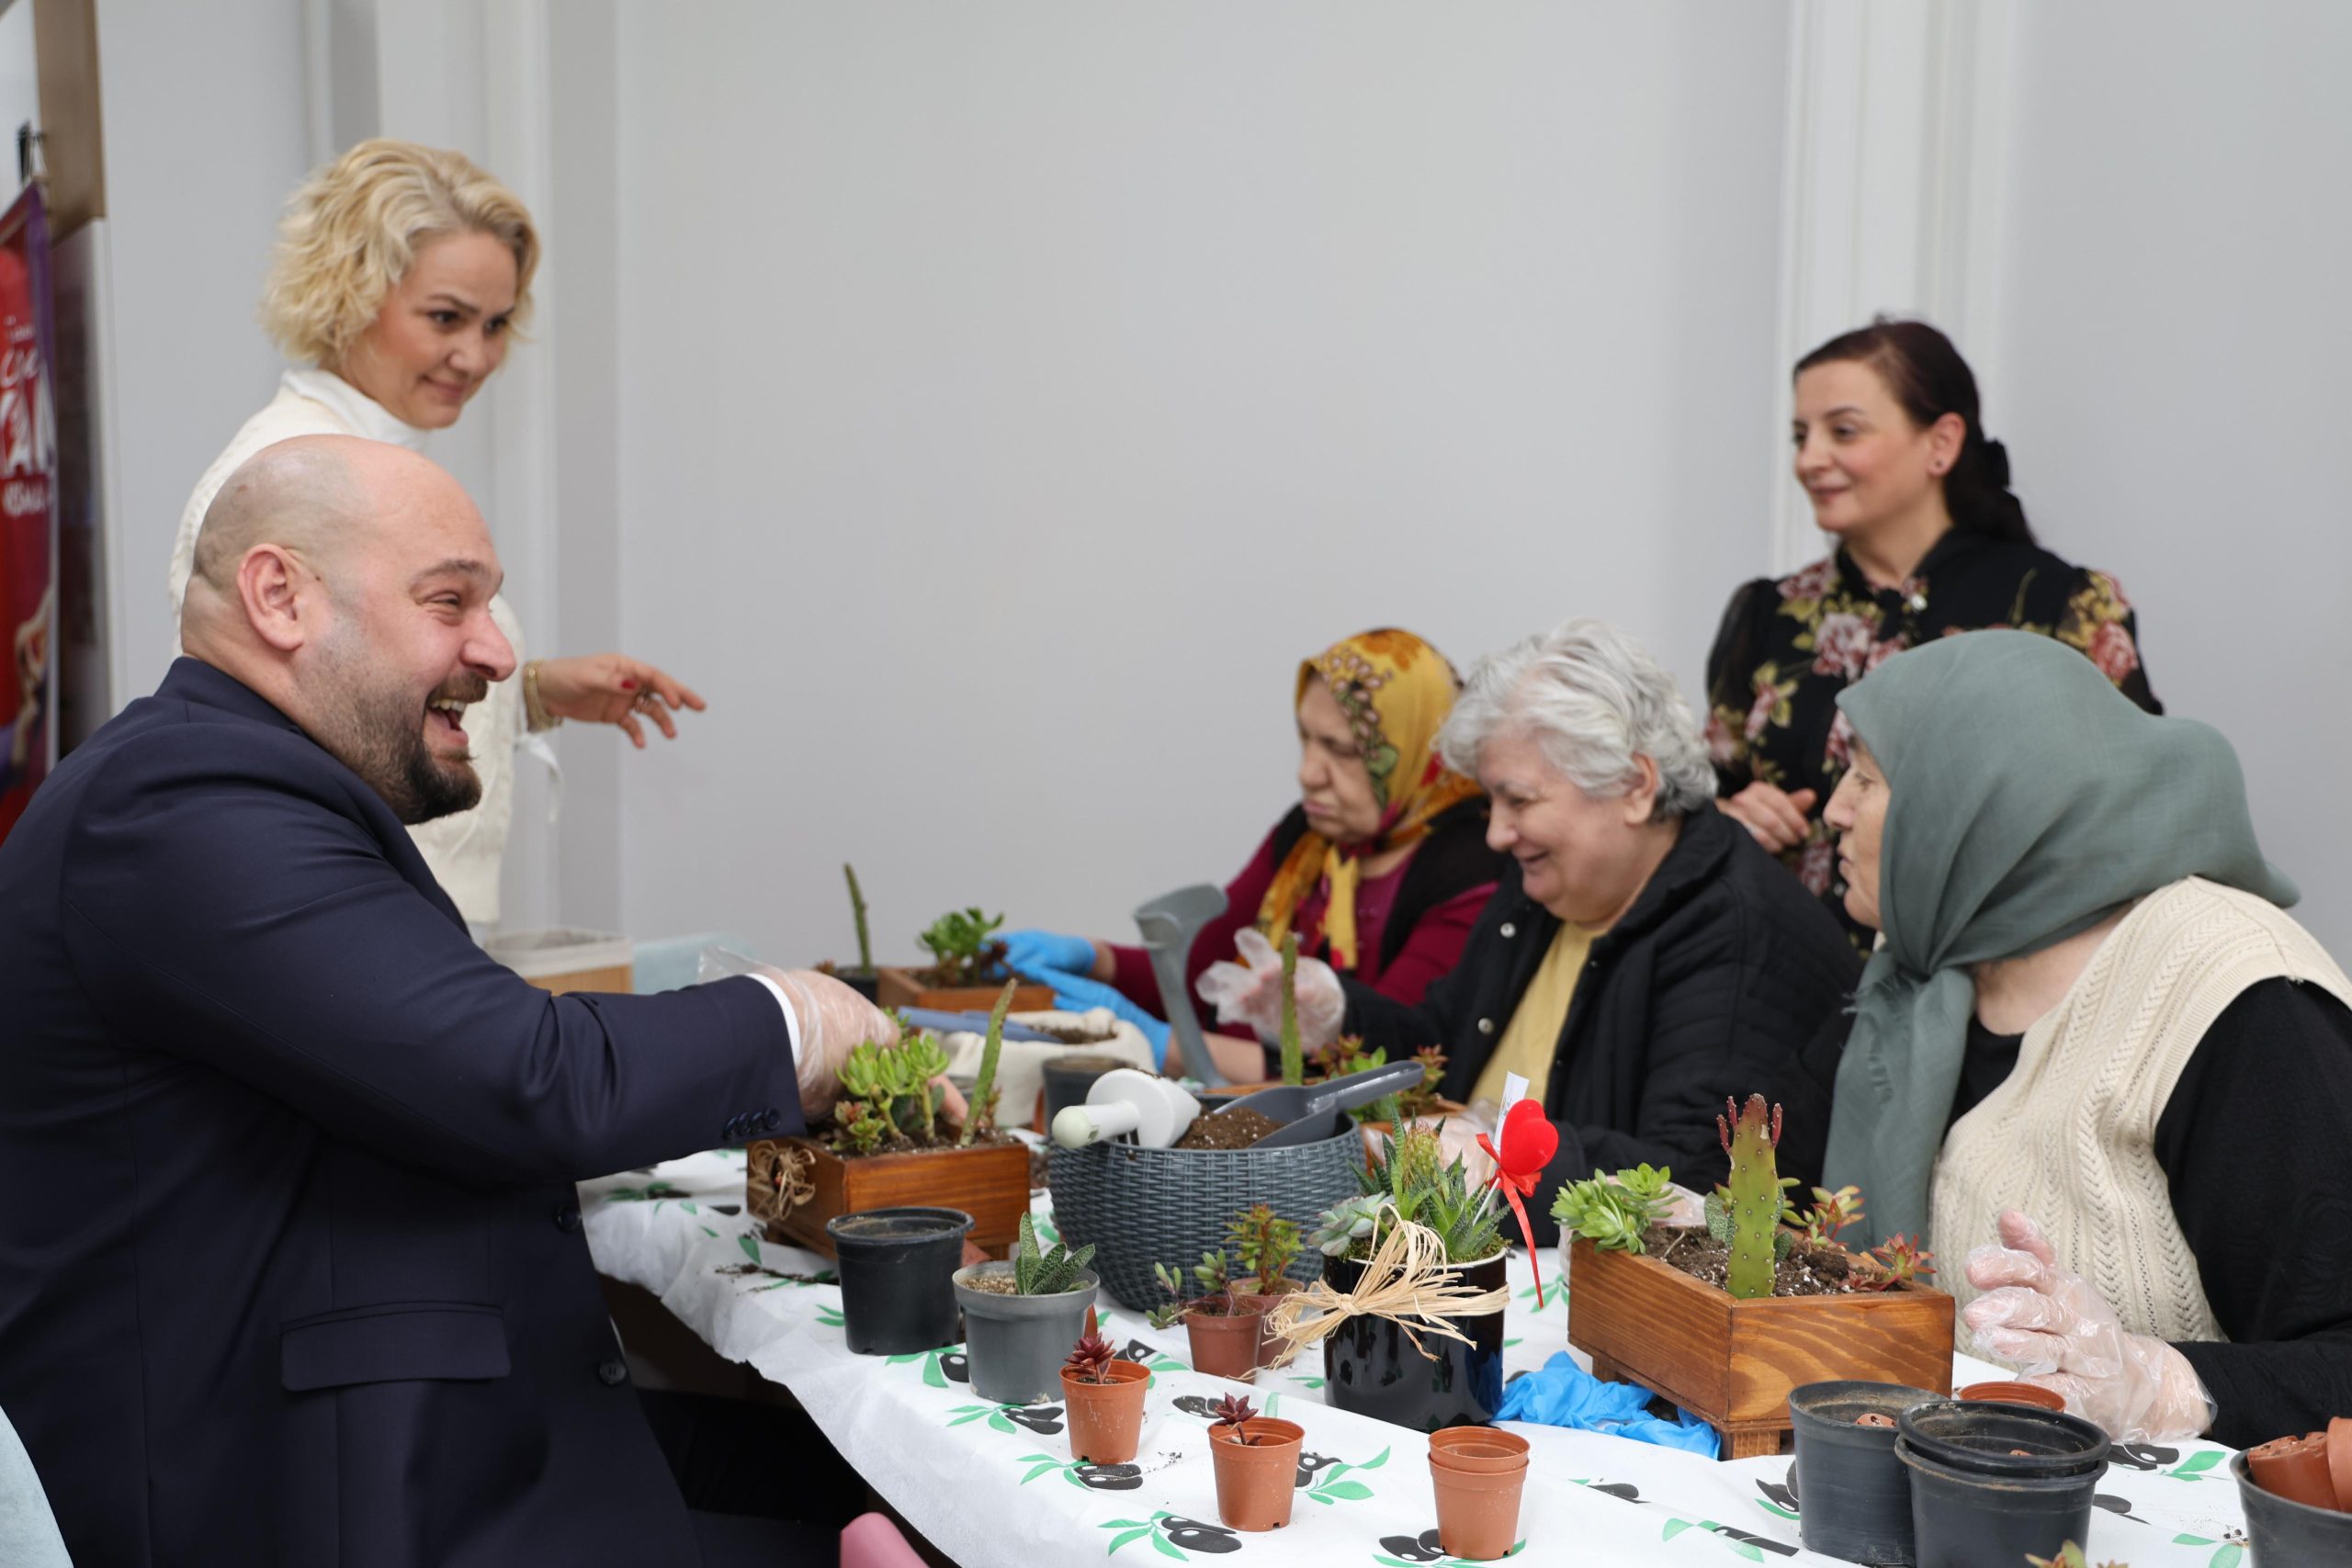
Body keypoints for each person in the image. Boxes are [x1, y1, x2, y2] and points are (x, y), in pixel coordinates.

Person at [0, 436, 890, 1566]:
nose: (497, 650)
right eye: (449, 601)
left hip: (396, 1423)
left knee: (872, 1477)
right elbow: (528, 1078)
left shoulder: (233, 786)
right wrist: (799, 1018)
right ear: (280, 596)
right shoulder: (180, 804)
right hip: (284, 1490)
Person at [1817, 630, 2352, 1448]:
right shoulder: (1927, 972)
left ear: (1975, 806)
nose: (1834, 810)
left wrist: (2153, 1382)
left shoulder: (2234, 995)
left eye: (1865, 777)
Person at [166, 138, 702, 927]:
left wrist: (535, 693)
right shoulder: (282, 477)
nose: (476, 355)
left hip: (396, 920)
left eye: (496, 323)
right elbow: (269, 731)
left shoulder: (376, 464)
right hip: (346, 921)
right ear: (347, 291)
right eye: (446, 317)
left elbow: (351, 688)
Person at [1200, 620, 1861, 1235]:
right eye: (1491, 800)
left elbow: (1690, 1187)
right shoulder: (1545, 886)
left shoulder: (1735, 931)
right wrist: (1338, 1012)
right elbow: (1447, 1039)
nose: (1494, 832)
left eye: (1518, 799)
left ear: (1634, 786)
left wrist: (1492, 1158)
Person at [1705, 319, 2158, 942]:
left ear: (1941, 443)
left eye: (1843, 430)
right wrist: (1730, 817)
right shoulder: (1767, 613)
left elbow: (2133, 815)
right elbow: (1698, 800)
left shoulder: (2063, 607)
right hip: (1776, 990)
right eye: (1799, 435)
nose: (1809, 459)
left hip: (1986, 997)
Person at [1001, 627, 1504, 1083]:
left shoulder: (1470, 866)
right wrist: (1095, 959)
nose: (1309, 772)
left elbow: (1372, 1065)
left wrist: (1162, 1047)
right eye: (1306, 739)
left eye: (1342, 750)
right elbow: (1200, 969)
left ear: (1416, 752)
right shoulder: (1310, 839)